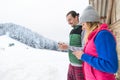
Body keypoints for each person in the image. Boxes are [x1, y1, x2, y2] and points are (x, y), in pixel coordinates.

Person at [73, 5, 118, 80]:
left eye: (83, 24)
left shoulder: (103, 35)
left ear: (89, 22)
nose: (83, 28)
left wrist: (83, 56)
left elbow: (111, 66)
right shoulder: (92, 37)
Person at [58, 11, 84, 80]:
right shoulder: (72, 31)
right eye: (67, 21)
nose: (69, 22)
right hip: (71, 64)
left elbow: (85, 49)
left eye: (70, 19)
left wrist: (68, 47)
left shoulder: (83, 29)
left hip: (80, 66)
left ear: (76, 17)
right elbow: (73, 46)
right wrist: (65, 46)